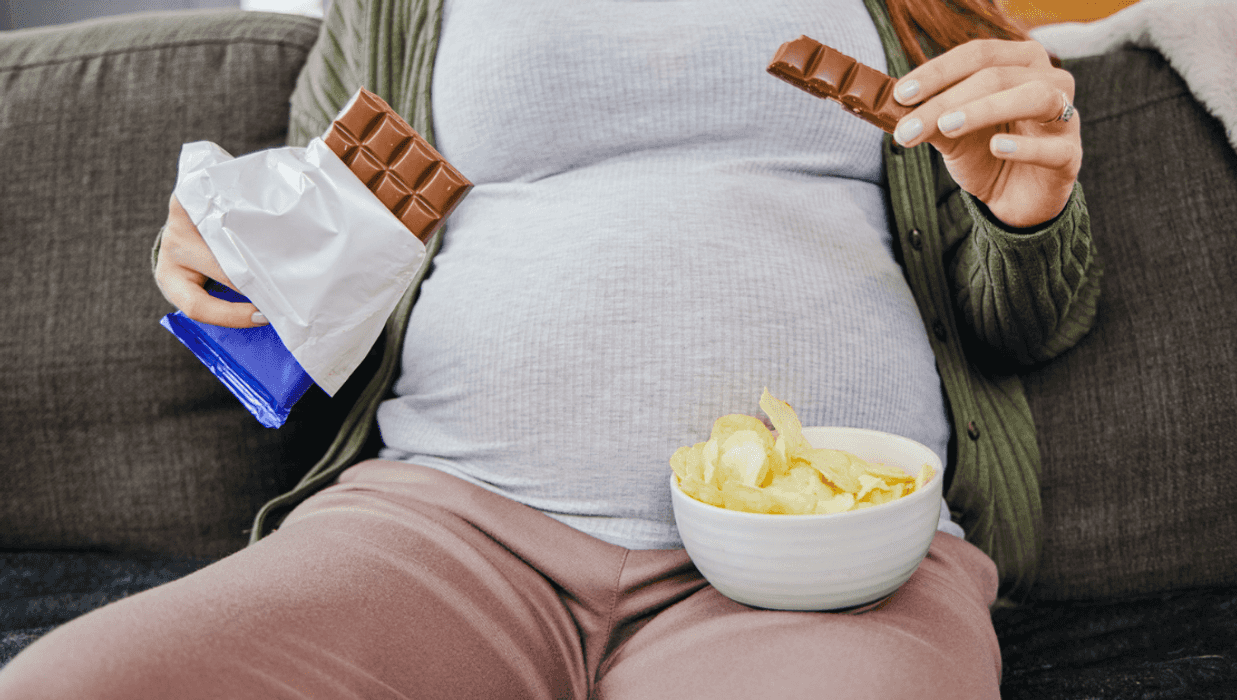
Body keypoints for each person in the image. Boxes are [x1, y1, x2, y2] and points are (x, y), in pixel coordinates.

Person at [0, 0, 1098, 696]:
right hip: (443, 530)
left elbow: (1027, 322)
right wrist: (234, 242)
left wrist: (1028, 210)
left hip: (831, 560)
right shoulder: (399, 8)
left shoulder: (924, 9)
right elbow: (318, 236)